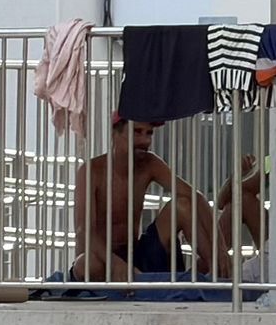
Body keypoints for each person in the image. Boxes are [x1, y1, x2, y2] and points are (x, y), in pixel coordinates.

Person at [72, 116, 221, 280]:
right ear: (115, 133)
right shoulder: (91, 171)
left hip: (135, 255)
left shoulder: (150, 163)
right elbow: (83, 230)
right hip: (100, 259)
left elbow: (195, 197)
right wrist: (115, 263)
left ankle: (217, 271)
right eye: (137, 132)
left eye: (149, 133)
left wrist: (221, 251)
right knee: (85, 264)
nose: (145, 140)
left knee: (182, 205)